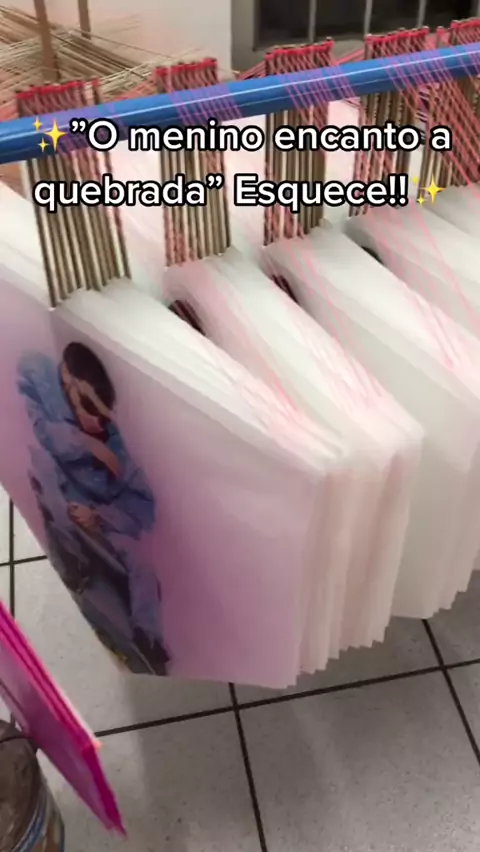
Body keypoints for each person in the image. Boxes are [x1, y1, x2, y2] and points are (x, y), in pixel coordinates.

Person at [17, 342, 169, 675]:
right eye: (88, 406)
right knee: (42, 468)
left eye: (104, 416)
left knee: (142, 563)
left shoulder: (115, 443)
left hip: (96, 520)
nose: (96, 422)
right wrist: (85, 443)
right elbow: (32, 430)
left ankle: (148, 638)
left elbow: (142, 506)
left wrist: (101, 516)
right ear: (66, 378)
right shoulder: (38, 374)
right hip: (54, 501)